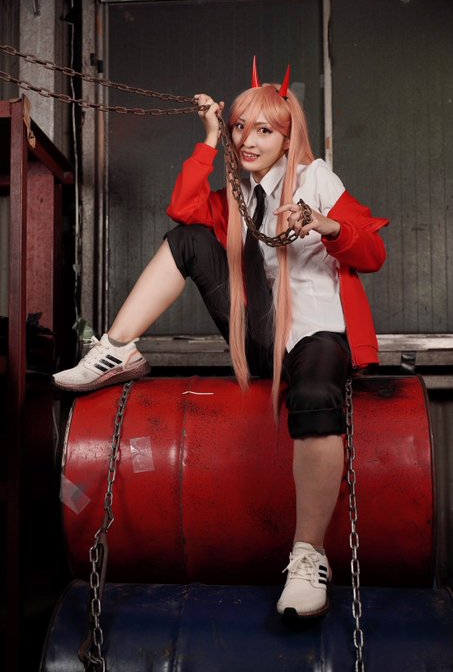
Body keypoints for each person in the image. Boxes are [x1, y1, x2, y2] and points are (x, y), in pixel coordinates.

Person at [53, 58, 389, 619]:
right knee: (188, 237)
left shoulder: (316, 179)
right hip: (264, 339)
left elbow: (374, 253)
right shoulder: (239, 193)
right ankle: (117, 347)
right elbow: (183, 210)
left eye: (264, 130)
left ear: (288, 138)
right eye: (239, 127)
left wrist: (327, 225)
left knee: (314, 396)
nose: (247, 140)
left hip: (318, 334)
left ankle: (308, 556)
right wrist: (209, 138)